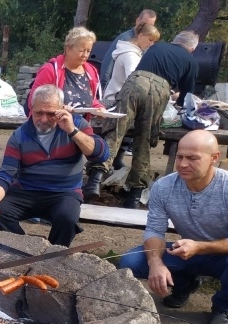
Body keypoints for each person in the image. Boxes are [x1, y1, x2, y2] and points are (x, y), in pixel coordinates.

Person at [118, 131, 228, 324]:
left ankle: (223, 306)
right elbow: (154, 229)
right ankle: (185, 284)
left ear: (214, 158)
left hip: (224, 254)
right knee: (130, 263)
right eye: (179, 157)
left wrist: (201, 247)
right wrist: (156, 263)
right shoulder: (164, 186)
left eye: (193, 158)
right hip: (186, 249)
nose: (183, 164)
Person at [83, 31, 199, 207]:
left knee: (116, 129)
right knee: (143, 140)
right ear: (192, 48)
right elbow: (186, 98)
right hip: (160, 90)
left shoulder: (157, 46)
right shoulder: (191, 61)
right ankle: (134, 196)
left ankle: (94, 180)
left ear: (175, 41)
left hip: (136, 82)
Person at [0, 85, 109, 247]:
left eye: (51, 114)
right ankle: (27, 249)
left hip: (64, 192)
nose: (44, 119)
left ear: (62, 109)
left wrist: (72, 131)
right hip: (26, 190)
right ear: (31, 109)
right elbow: (6, 174)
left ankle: (51, 256)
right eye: (39, 113)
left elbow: (101, 155)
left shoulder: (77, 124)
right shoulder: (20, 134)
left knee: (67, 219)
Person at [27, 26, 104, 113]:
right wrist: (60, 108)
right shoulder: (49, 70)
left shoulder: (91, 71)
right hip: (52, 123)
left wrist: (99, 108)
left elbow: (92, 100)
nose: (85, 55)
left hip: (80, 124)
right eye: (81, 51)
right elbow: (33, 102)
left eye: (88, 51)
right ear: (68, 49)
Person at [102, 23, 161, 107]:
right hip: (115, 102)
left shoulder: (131, 53)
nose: (151, 44)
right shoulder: (130, 55)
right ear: (140, 35)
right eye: (150, 39)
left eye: (154, 41)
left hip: (114, 99)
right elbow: (135, 82)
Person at [100, 9, 158, 90]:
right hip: (117, 92)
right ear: (137, 21)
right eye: (145, 24)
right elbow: (108, 63)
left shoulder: (147, 43)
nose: (147, 28)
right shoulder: (124, 39)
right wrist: (103, 88)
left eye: (151, 26)